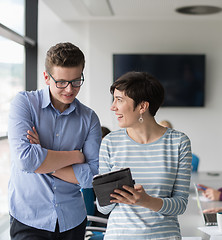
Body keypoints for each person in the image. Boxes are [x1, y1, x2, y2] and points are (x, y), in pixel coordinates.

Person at [7, 42, 102, 240]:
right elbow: (25, 161)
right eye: (61, 82)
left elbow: (93, 174)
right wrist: (75, 156)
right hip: (29, 219)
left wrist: (43, 158)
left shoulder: (89, 118)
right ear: (46, 77)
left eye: (76, 81)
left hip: (73, 220)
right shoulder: (24, 104)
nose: (69, 89)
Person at [97, 71, 192, 239]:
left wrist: (145, 201)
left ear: (142, 107)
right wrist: (111, 194)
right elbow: (102, 207)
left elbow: (180, 205)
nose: (113, 107)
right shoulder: (110, 142)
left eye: (119, 100)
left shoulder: (179, 142)